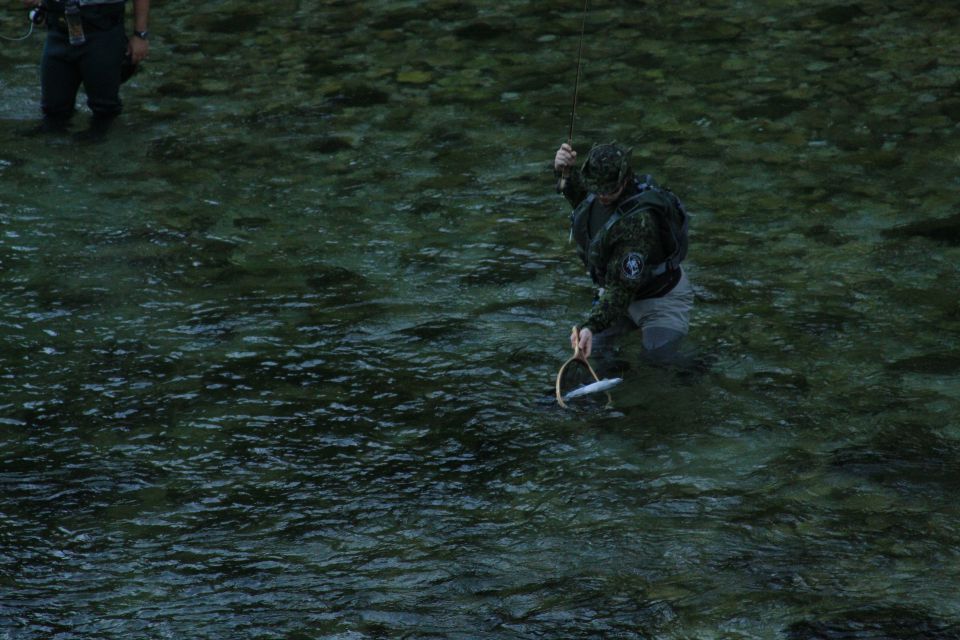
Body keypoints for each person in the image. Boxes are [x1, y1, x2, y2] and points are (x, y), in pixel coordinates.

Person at [553, 142, 694, 362]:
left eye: (609, 191)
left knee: (658, 361)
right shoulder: (601, 191)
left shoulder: (638, 223)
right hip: (618, 292)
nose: (602, 196)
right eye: (597, 190)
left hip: (660, 299)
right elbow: (582, 201)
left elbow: (621, 290)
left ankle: (696, 370)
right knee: (594, 353)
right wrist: (564, 170)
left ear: (625, 180)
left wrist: (590, 325)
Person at [22, 0, 150, 128]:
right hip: (59, 31)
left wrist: (140, 35)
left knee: (104, 110)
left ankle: (101, 143)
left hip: (103, 32)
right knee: (53, 110)